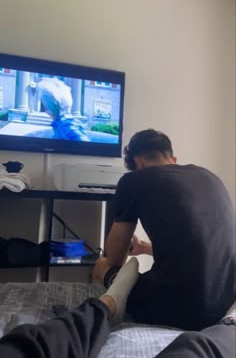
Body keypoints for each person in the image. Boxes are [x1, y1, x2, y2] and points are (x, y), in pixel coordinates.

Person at [93, 129, 235, 331]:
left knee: (101, 264)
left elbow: (115, 258)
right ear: (173, 158)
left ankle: (108, 310)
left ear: (138, 163)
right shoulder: (210, 176)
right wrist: (143, 247)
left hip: (175, 309)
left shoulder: (134, 180)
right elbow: (202, 245)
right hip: (224, 303)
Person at [0, 257, 235, 358]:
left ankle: (110, 301)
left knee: (30, 347)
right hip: (209, 296)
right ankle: (231, 323)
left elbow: (114, 254)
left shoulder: (135, 181)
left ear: (137, 163)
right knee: (197, 349)